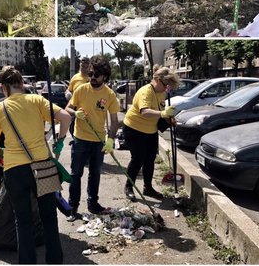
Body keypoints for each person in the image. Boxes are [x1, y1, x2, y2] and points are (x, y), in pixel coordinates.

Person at [0, 66, 71, 264]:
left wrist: (1, 152)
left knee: (22, 222)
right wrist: (60, 140)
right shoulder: (37, 100)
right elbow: (65, 117)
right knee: (49, 218)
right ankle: (55, 261)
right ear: (21, 84)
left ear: (4, 88)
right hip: (43, 168)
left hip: (15, 171)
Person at [64, 56, 120, 219]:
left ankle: (93, 204)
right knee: (76, 174)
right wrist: (76, 114)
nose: (93, 78)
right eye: (91, 74)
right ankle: (72, 207)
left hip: (98, 142)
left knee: (95, 174)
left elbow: (114, 120)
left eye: (96, 75)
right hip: (80, 139)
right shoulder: (81, 89)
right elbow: (67, 108)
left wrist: (110, 140)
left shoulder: (109, 95)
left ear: (105, 76)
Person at [122, 65, 179, 202]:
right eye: (165, 85)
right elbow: (145, 111)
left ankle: (148, 188)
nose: (166, 89)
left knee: (150, 160)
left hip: (150, 130)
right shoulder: (145, 92)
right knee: (138, 159)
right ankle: (129, 187)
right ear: (157, 80)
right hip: (134, 129)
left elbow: (160, 110)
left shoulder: (161, 92)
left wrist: (168, 119)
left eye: (168, 86)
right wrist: (162, 113)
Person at [65, 57, 91, 136]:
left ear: (89, 67)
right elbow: (69, 90)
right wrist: (68, 93)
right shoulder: (75, 78)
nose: (84, 69)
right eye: (82, 66)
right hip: (76, 107)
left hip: (89, 107)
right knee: (73, 127)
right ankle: (76, 139)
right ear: (80, 66)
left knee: (88, 128)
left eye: (86, 67)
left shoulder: (92, 78)